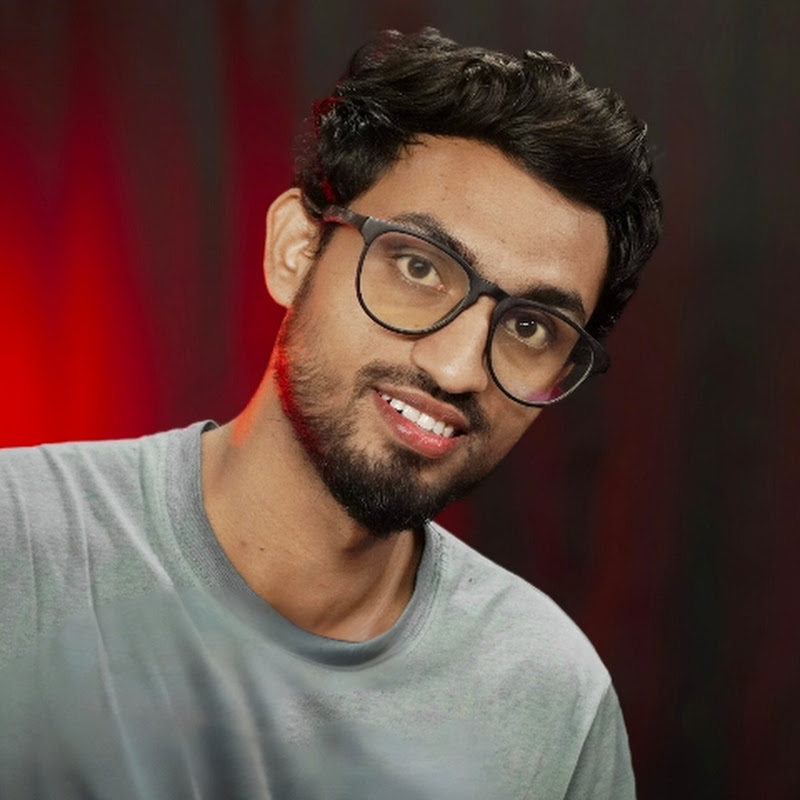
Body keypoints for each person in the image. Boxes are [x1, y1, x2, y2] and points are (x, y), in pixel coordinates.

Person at [0, 28, 661, 799]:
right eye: (418, 266)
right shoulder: (19, 543)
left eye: (529, 328)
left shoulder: (551, 696)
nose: (456, 369)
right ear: (296, 249)